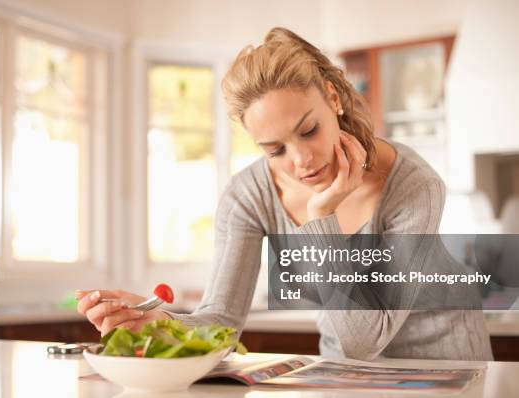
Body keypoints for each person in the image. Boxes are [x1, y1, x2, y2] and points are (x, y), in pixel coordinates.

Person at [76, 27, 493, 361]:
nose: (301, 160)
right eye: (275, 149)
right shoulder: (248, 196)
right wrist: (151, 320)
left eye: (308, 130)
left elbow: (367, 339)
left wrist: (319, 218)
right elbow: (221, 322)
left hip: (445, 368)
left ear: (333, 99)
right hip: (343, 376)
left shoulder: (413, 185)